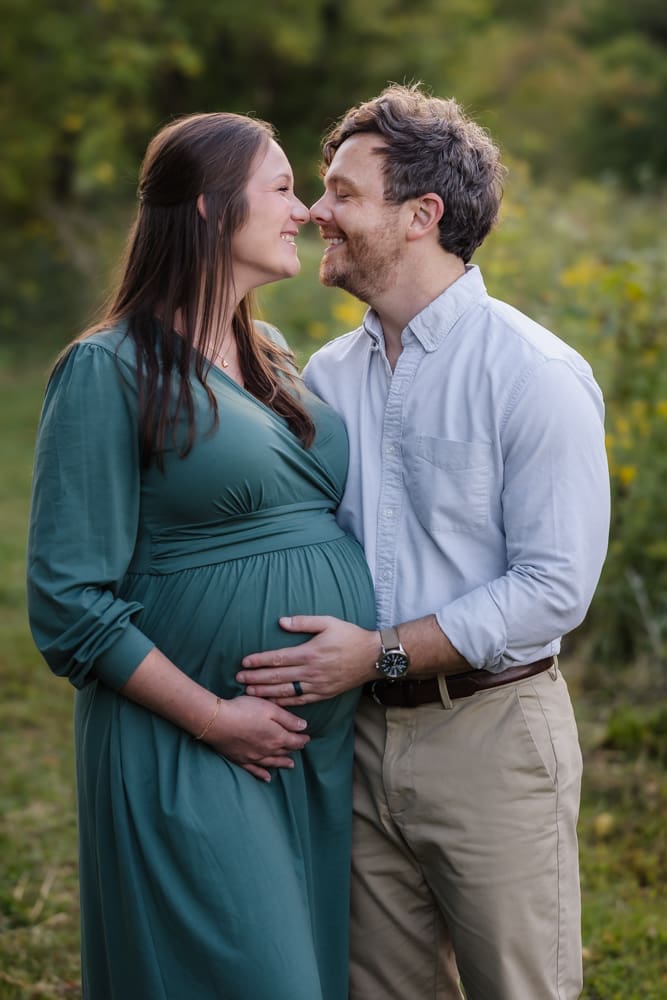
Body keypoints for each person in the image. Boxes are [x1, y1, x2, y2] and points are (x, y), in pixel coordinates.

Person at [236, 84, 610, 999]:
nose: (315, 211)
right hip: (354, 742)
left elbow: (554, 586)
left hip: (493, 736)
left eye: (340, 192)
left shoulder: (535, 374)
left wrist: (382, 650)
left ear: (420, 215)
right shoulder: (325, 377)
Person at [26, 111, 376, 1000]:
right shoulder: (107, 371)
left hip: (304, 751)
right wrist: (215, 719)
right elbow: (69, 601)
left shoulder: (273, 360)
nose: (303, 211)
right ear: (211, 210)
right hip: (190, 739)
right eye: (283, 188)